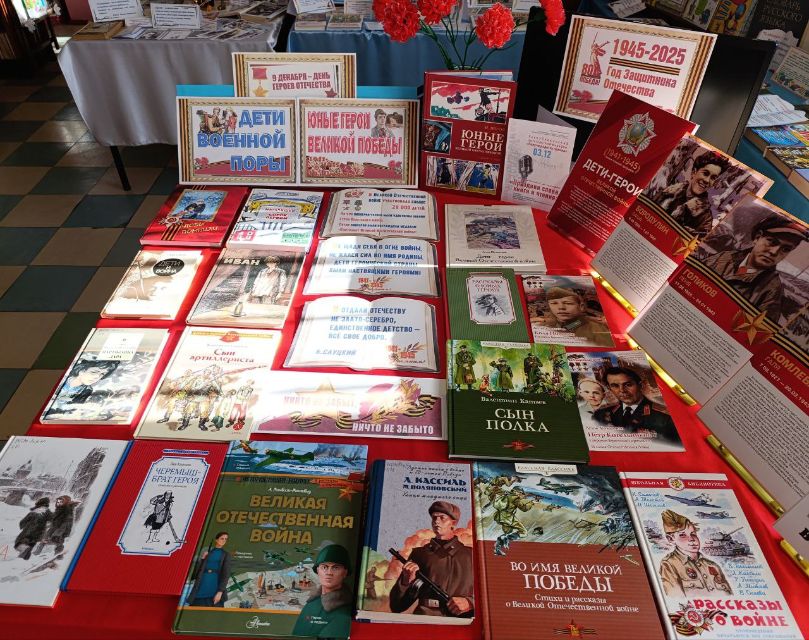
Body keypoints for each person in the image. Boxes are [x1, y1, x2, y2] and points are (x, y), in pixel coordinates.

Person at [698, 216, 808, 323]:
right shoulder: (724, 258)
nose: (774, 252)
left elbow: (755, 329)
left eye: (785, 249)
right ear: (757, 237)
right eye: (772, 242)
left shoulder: (771, 291)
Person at [389, 501, 474, 617]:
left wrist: (470, 603)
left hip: (462, 619)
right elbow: (397, 606)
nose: (436, 521)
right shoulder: (419, 554)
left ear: (453, 523)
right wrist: (406, 581)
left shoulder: (470, 555)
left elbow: (490, 593)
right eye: (434, 518)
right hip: (425, 616)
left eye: (442, 518)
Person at [649, 152, 729, 237]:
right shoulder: (668, 192)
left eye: (713, 178)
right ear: (694, 172)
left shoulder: (705, 218)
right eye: (705, 173)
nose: (707, 180)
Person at [593, 367, 679, 443]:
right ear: (609, 388)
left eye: (628, 385)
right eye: (615, 386)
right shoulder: (601, 414)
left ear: (641, 385)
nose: (622, 390)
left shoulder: (664, 417)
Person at [659, 510, 732, 598]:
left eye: (693, 534)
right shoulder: (669, 564)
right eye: (682, 535)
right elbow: (675, 598)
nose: (692, 539)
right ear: (670, 539)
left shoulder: (712, 565)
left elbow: (730, 596)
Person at [291, 544, 353, 638]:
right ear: (317, 570)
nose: (329, 573)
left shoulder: (345, 614)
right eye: (324, 567)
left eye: (335, 567)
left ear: (345, 573)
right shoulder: (311, 604)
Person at [543, 286, 613, 347]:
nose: (561, 307)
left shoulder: (596, 329)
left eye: (568, 303)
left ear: (581, 306)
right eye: (554, 303)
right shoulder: (546, 325)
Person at [187, 531, 231, 607]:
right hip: (202, 583)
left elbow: (225, 575)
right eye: (222, 538)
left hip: (214, 584)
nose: (224, 540)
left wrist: (220, 592)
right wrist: (202, 559)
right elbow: (197, 572)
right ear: (216, 540)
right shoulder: (207, 553)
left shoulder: (226, 555)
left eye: (225, 539)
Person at [492, 486, 537, 556]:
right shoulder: (515, 498)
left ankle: (497, 549)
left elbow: (513, 500)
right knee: (524, 532)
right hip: (509, 518)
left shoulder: (507, 495)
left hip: (500, 517)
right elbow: (524, 508)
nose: (521, 494)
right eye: (520, 492)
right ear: (515, 491)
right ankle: (506, 538)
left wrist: (524, 497)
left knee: (508, 533)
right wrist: (532, 503)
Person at [53, 360, 119, 406]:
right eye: (94, 372)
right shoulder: (62, 379)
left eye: (102, 374)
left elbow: (73, 406)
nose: (97, 377)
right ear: (81, 371)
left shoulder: (87, 390)